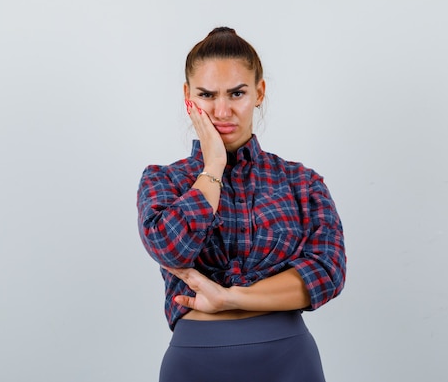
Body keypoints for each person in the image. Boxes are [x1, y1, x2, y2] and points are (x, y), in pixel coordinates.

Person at [136, 26, 346, 382]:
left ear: (259, 92)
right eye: (206, 94)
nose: (222, 110)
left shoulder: (301, 182)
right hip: (195, 362)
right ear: (188, 96)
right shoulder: (163, 180)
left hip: (288, 358)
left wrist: (229, 297)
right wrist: (213, 165)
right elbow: (171, 249)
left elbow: (328, 272)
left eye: (237, 93)